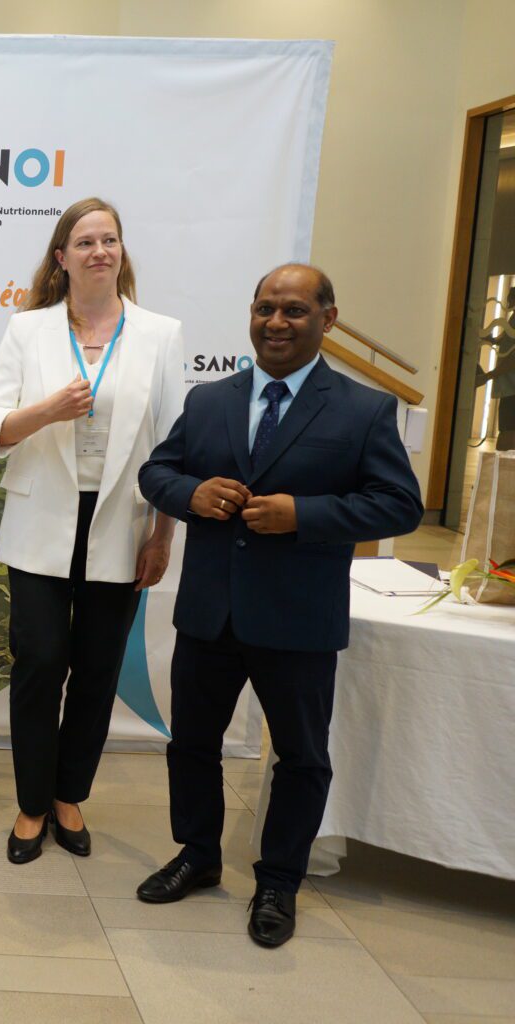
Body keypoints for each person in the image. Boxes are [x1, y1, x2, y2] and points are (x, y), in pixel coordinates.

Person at [136, 264, 422, 947]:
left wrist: (305, 515)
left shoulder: (363, 409)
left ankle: (278, 881)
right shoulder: (211, 400)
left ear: (328, 318)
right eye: (265, 308)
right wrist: (190, 494)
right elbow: (157, 471)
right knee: (192, 745)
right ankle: (198, 855)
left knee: (300, 758)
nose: (276, 322)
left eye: (294, 310)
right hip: (209, 612)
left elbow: (399, 505)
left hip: (298, 618)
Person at [0, 198, 183, 865]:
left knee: (96, 670)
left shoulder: (160, 335)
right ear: (61, 257)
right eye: (85, 242)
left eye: (109, 240)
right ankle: (32, 803)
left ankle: (69, 796)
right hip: (41, 521)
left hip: (123, 523)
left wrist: (163, 536)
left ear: (122, 252)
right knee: (40, 663)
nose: (99, 251)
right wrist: (49, 409)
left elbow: (173, 448)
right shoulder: (28, 330)